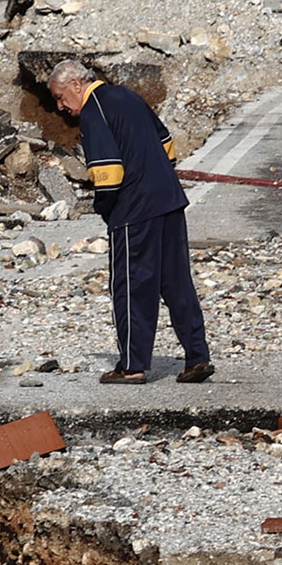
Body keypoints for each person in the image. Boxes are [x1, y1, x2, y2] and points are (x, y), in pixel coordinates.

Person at [48, 58, 212, 385]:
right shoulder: (127, 96)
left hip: (134, 210)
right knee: (177, 282)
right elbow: (167, 146)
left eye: (61, 97)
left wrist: (105, 208)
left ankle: (132, 365)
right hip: (169, 200)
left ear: (76, 85)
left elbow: (109, 174)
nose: (60, 106)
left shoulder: (94, 112)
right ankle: (197, 356)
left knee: (131, 286)